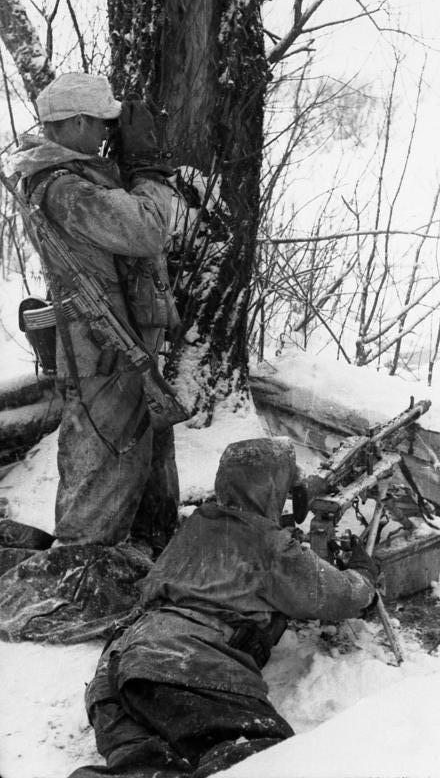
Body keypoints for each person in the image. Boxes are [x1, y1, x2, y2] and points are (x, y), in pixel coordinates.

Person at [69, 437, 379, 778]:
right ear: (274, 490)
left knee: (145, 767)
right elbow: (344, 596)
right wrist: (363, 570)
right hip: (183, 666)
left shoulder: (198, 522)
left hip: (115, 677)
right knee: (259, 759)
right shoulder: (271, 547)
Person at [10, 72, 180, 550]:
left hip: (116, 341)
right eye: (103, 122)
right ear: (79, 121)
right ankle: (76, 572)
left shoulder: (81, 177)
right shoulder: (66, 188)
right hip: (101, 348)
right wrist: (148, 170)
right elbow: (146, 230)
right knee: (102, 461)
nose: (109, 132)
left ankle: (141, 555)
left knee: (135, 454)